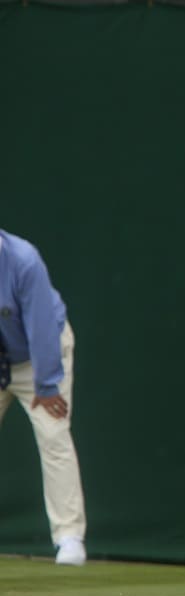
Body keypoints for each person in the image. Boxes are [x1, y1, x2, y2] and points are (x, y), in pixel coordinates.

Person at [0, 228, 87, 566]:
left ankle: (69, 538)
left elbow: (42, 323)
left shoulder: (24, 260)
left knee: (53, 437)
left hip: (42, 356)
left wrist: (47, 384)